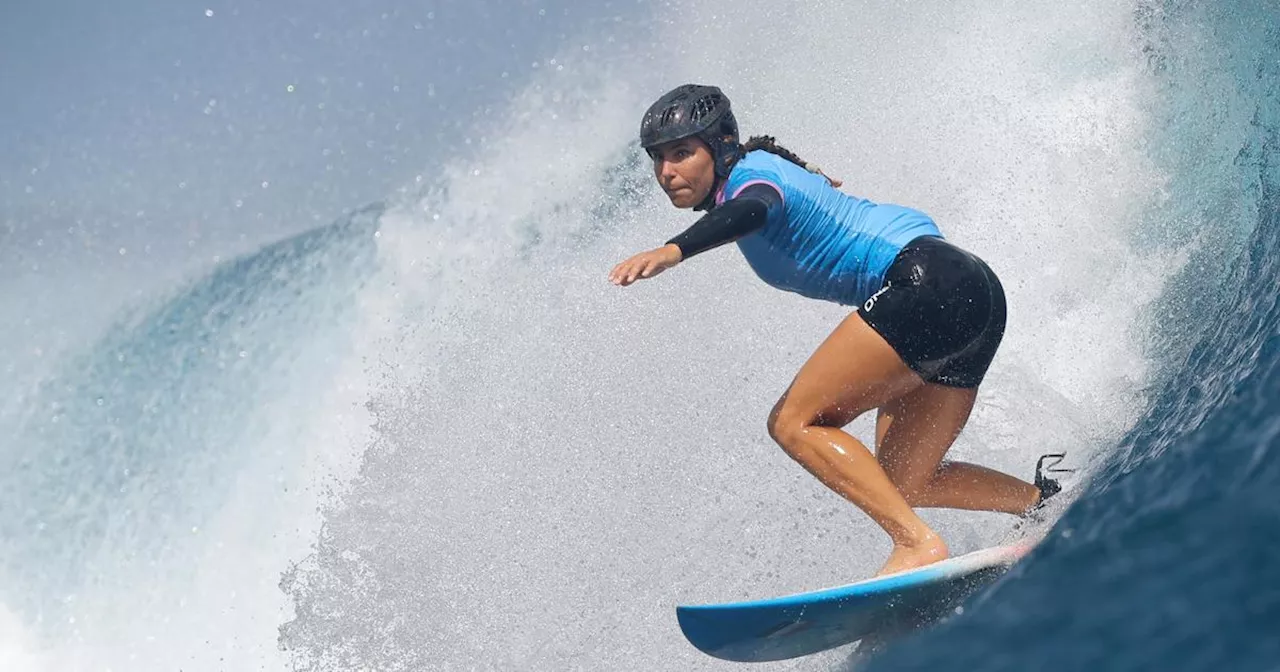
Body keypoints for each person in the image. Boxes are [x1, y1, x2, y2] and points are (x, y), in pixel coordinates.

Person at [609, 84, 1069, 576]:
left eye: (682, 153)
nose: (667, 172)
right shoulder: (762, 166)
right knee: (903, 480)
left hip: (924, 282)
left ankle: (914, 543)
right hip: (975, 293)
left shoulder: (754, 179)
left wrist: (674, 250)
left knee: (792, 422)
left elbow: (754, 208)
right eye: (658, 159)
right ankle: (1041, 503)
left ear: (721, 146)